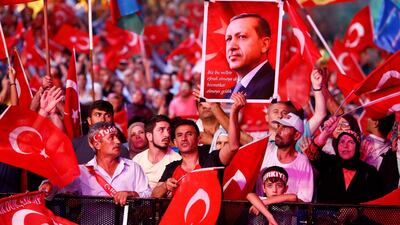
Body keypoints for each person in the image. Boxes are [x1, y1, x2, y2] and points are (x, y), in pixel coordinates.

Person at [40, 122, 151, 225]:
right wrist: (48, 185)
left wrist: (132, 194)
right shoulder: (82, 172)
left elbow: (149, 196)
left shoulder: (133, 168)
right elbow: (55, 188)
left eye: (117, 137)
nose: (118, 141)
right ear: (97, 144)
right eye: (111, 138)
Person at [151, 93, 245, 198]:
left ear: (198, 139)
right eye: (179, 135)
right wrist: (165, 186)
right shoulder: (171, 167)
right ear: (175, 142)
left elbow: (233, 145)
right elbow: (154, 195)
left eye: (189, 134)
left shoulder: (212, 161)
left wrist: (234, 112)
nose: (184, 138)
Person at [305, 116, 383, 204]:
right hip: (324, 217)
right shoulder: (329, 162)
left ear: (357, 146)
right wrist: (326, 133)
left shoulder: (369, 172)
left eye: (350, 142)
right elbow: (310, 151)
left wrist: (356, 212)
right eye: (342, 142)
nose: (345, 146)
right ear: (337, 146)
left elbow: (375, 206)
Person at [257, 113, 314, 202]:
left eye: (284, 128)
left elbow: (304, 202)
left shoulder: (303, 163)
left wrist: (270, 201)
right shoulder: (266, 150)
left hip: (287, 215)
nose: (278, 131)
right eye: (279, 126)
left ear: (296, 135)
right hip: (259, 214)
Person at [224, 13, 274, 100]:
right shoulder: (230, 93)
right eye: (228, 39)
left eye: (241, 37)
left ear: (264, 44)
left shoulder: (274, 86)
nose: (231, 46)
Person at [72, 100, 129, 164]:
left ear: (112, 120)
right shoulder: (75, 145)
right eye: (98, 115)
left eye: (107, 115)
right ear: (89, 120)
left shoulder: (120, 150)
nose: (103, 119)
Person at [133, 115, 182, 189]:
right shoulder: (137, 160)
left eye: (168, 130)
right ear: (149, 136)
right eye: (161, 130)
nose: (167, 134)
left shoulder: (176, 159)